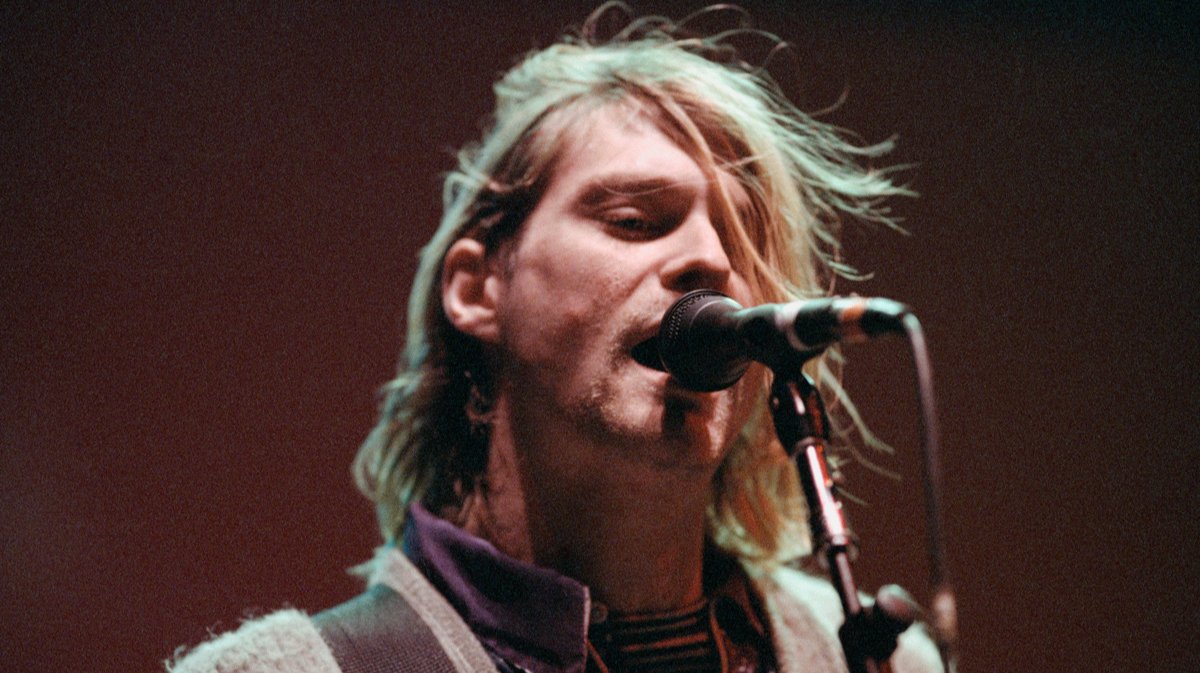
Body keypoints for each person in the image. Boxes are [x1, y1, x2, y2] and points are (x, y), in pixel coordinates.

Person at [169, 5, 942, 673]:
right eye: (634, 220)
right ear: (478, 288)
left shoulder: (885, 658)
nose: (710, 261)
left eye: (742, 244)